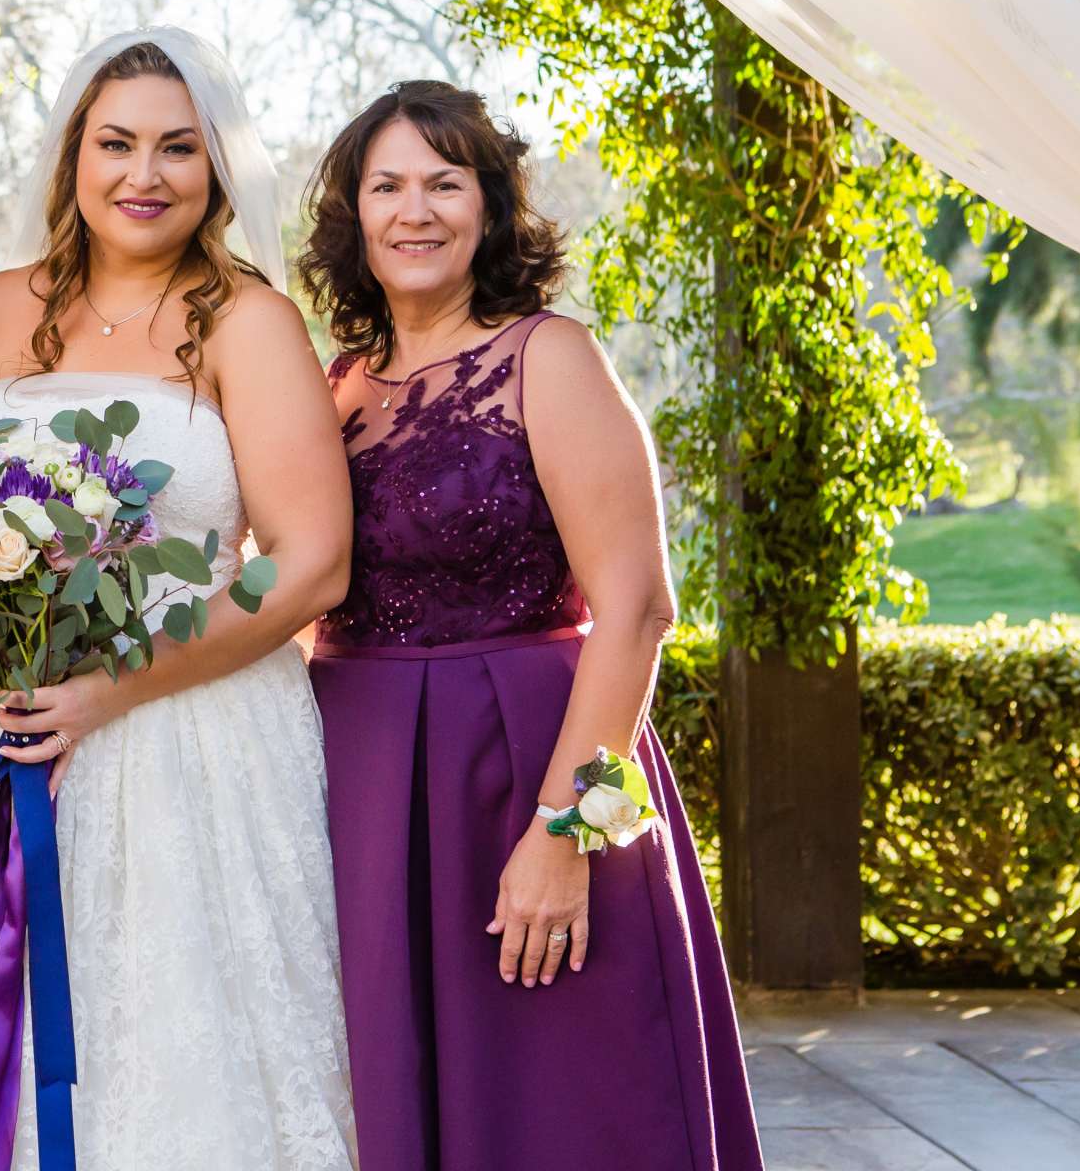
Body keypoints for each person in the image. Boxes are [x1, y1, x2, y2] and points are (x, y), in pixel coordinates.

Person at [0, 29, 358, 1170]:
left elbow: (309, 562)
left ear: (216, 170)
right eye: (117, 144)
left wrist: (116, 686)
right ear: (72, 157)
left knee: (162, 1052)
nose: (143, 175)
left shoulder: (249, 323)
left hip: (185, 741)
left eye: (177, 149)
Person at [301, 80, 763, 1170]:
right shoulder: (333, 385)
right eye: (388, 185)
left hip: (528, 769)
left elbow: (640, 606)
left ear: (491, 207)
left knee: (565, 1104)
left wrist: (564, 835)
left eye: (445, 183)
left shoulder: (547, 356)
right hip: (363, 783)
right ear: (353, 214)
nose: (415, 210)